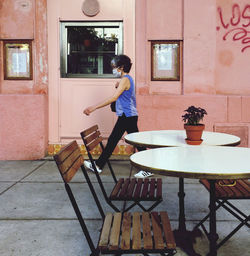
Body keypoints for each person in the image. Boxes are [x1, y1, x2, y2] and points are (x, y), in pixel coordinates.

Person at [83, 54, 153, 178]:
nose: (113, 69)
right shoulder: (126, 79)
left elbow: (114, 97)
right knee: (126, 141)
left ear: (121, 67)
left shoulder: (125, 80)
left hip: (127, 115)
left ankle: (99, 165)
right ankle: (99, 165)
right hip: (128, 115)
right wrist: (118, 86)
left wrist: (93, 107)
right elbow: (123, 94)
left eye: (115, 67)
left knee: (115, 140)